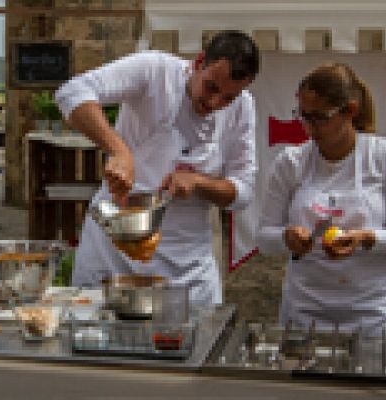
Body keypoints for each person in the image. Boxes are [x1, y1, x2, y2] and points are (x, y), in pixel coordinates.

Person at [55, 30, 260, 305]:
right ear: (198, 62)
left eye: (228, 98)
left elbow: (243, 192)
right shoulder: (155, 70)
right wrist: (119, 150)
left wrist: (199, 182)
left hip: (186, 265)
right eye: (211, 87)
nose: (214, 103)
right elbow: (72, 92)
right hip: (115, 251)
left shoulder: (243, 109)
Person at [257, 62, 386, 336]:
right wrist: (287, 237)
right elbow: (263, 238)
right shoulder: (291, 163)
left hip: (374, 314)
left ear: (350, 111)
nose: (309, 128)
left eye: (320, 118)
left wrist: (365, 238)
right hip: (305, 311)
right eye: (303, 116)